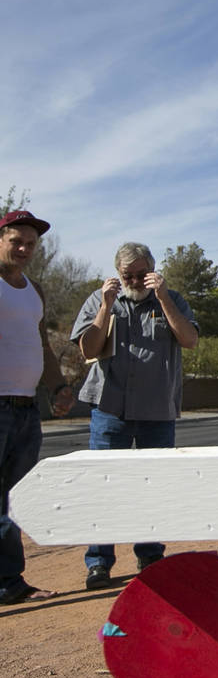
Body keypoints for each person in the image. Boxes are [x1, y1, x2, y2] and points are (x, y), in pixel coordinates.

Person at [71, 242, 198, 590]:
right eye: (128, 275)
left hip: (158, 410)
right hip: (111, 409)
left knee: (153, 487)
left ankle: (150, 555)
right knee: (104, 487)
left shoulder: (171, 299)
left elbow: (189, 340)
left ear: (153, 271)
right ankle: (99, 562)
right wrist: (106, 307)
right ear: (117, 274)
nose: (136, 280)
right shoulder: (101, 300)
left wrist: (164, 299)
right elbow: (88, 348)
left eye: (142, 274)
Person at [0, 210, 75, 605]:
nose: (25, 249)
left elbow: (41, 345)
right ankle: (9, 582)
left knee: (16, 498)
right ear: (2, 239)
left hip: (27, 408)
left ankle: (10, 581)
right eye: (17, 242)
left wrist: (58, 385)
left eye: (31, 243)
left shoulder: (35, 291)